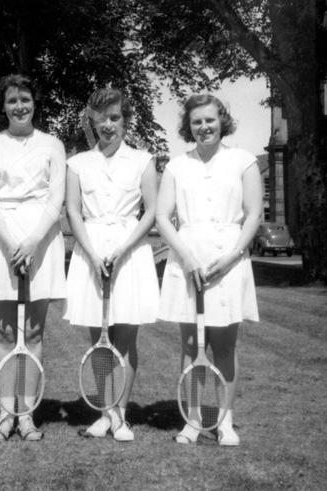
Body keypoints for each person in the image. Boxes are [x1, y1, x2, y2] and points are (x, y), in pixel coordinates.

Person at [156, 94, 262, 446]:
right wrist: (186, 257)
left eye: (210, 120)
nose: (204, 127)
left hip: (229, 260)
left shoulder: (243, 161)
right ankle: (193, 420)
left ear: (222, 121)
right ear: (188, 126)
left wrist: (233, 256)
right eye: (197, 122)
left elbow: (253, 216)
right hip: (188, 258)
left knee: (224, 346)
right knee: (190, 345)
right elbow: (162, 218)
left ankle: (225, 422)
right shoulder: (175, 166)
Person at [0, 74, 67, 442]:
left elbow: (55, 198)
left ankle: (27, 414)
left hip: (42, 239)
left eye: (25, 99)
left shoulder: (53, 144)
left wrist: (32, 242)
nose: (19, 106)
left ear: (34, 102)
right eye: (12, 101)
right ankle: (5, 413)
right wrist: (12, 242)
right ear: (3, 106)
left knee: (35, 331)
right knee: (4, 332)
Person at [65, 88, 159, 442]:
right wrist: (90, 253)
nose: (108, 125)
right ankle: (106, 413)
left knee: (126, 336)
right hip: (90, 251)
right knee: (99, 338)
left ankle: (119, 412)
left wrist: (121, 250)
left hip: (130, 251)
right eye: (102, 117)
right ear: (92, 118)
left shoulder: (143, 160)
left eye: (115, 117)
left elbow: (150, 212)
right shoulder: (77, 164)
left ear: (126, 120)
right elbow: (73, 211)